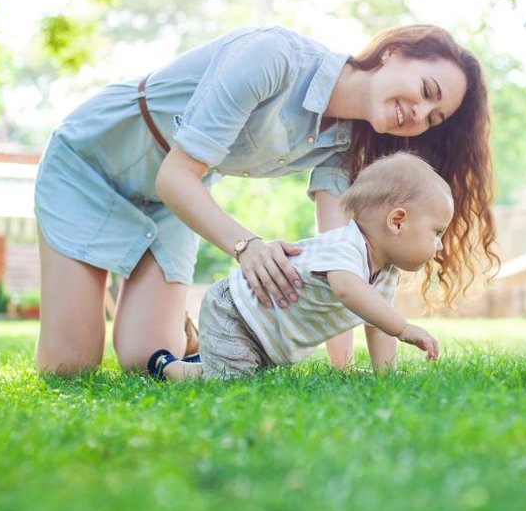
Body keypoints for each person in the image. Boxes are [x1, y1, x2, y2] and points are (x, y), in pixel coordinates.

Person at [33, 24, 497, 377]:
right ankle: (106, 288)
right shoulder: (274, 56)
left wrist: (345, 369)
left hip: (166, 206)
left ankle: (172, 319)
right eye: (425, 91)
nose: (417, 115)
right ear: (394, 52)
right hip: (90, 166)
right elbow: (176, 177)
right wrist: (247, 246)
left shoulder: (344, 145)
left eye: (432, 118)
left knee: (142, 359)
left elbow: (341, 255)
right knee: (70, 366)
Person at [151, 152, 447, 380]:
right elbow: (347, 289)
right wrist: (403, 328)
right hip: (235, 313)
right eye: (437, 232)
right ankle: (168, 370)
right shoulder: (347, 246)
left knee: (241, 376)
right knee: (233, 386)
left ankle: (185, 364)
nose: (440, 245)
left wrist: (387, 377)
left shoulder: (386, 273)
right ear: (397, 221)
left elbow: (378, 324)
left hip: (267, 337)